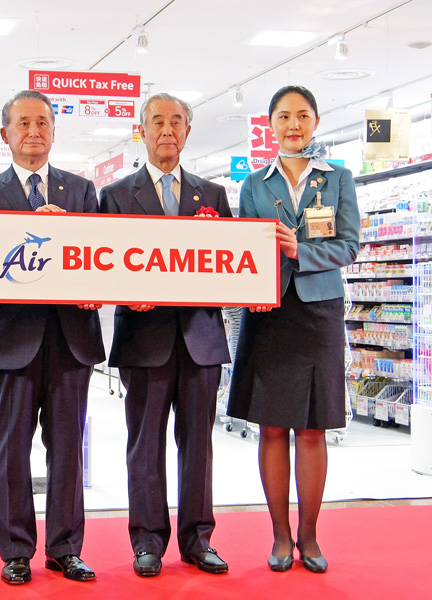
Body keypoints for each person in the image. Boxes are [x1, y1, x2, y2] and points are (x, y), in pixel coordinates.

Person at [0, 90, 105, 585]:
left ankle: (66, 547)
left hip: (72, 339)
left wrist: (95, 288)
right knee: (9, 449)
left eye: (43, 123)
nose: (34, 132)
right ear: (5, 133)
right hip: (12, 339)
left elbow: (100, 257)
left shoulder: (83, 191)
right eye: (23, 123)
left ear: (54, 130)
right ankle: (16, 550)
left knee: (68, 446)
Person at [227, 85, 360, 574]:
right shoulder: (255, 185)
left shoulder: (339, 178)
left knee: (312, 429)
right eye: (283, 117)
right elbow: (243, 249)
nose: (293, 125)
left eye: (302, 116)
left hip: (319, 313)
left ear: (317, 122)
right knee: (271, 426)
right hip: (269, 314)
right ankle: (280, 536)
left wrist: (298, 251)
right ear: (270, 125)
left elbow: (349, 246)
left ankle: (310, 536)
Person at [99, 93, 231, 577]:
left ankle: (199, 539)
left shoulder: (212, 196)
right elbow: (103, 264)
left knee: (199, 444)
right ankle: (147, 540)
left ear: (188, 132)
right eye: (158, 121)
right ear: (142, 131)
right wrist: (122, 291)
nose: (168, 130)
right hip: (144, 339)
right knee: (145, 443)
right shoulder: (114, 195)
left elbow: (230, 266)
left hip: (201, 339)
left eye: (177, 121)